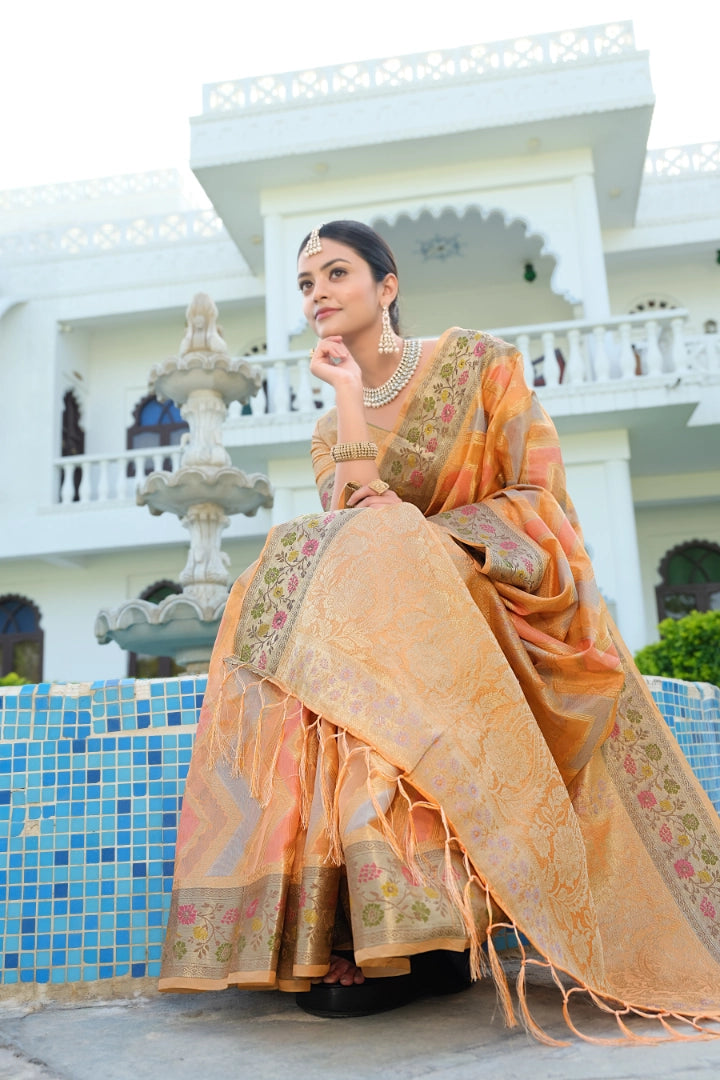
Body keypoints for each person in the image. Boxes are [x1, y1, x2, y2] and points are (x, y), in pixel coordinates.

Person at [159, 220, 720, 1042]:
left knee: (366, 573)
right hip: (394, 614)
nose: (317, 293)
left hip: (503, 591)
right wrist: (348, 393)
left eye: (336, 273)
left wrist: (435, 541)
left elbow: (540, 497)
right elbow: (355, 515)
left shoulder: (479, 365)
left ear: (387, 286)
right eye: (305, 282)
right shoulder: (328, 430)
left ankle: (425, 926)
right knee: (308, 574)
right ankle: (379, 922)